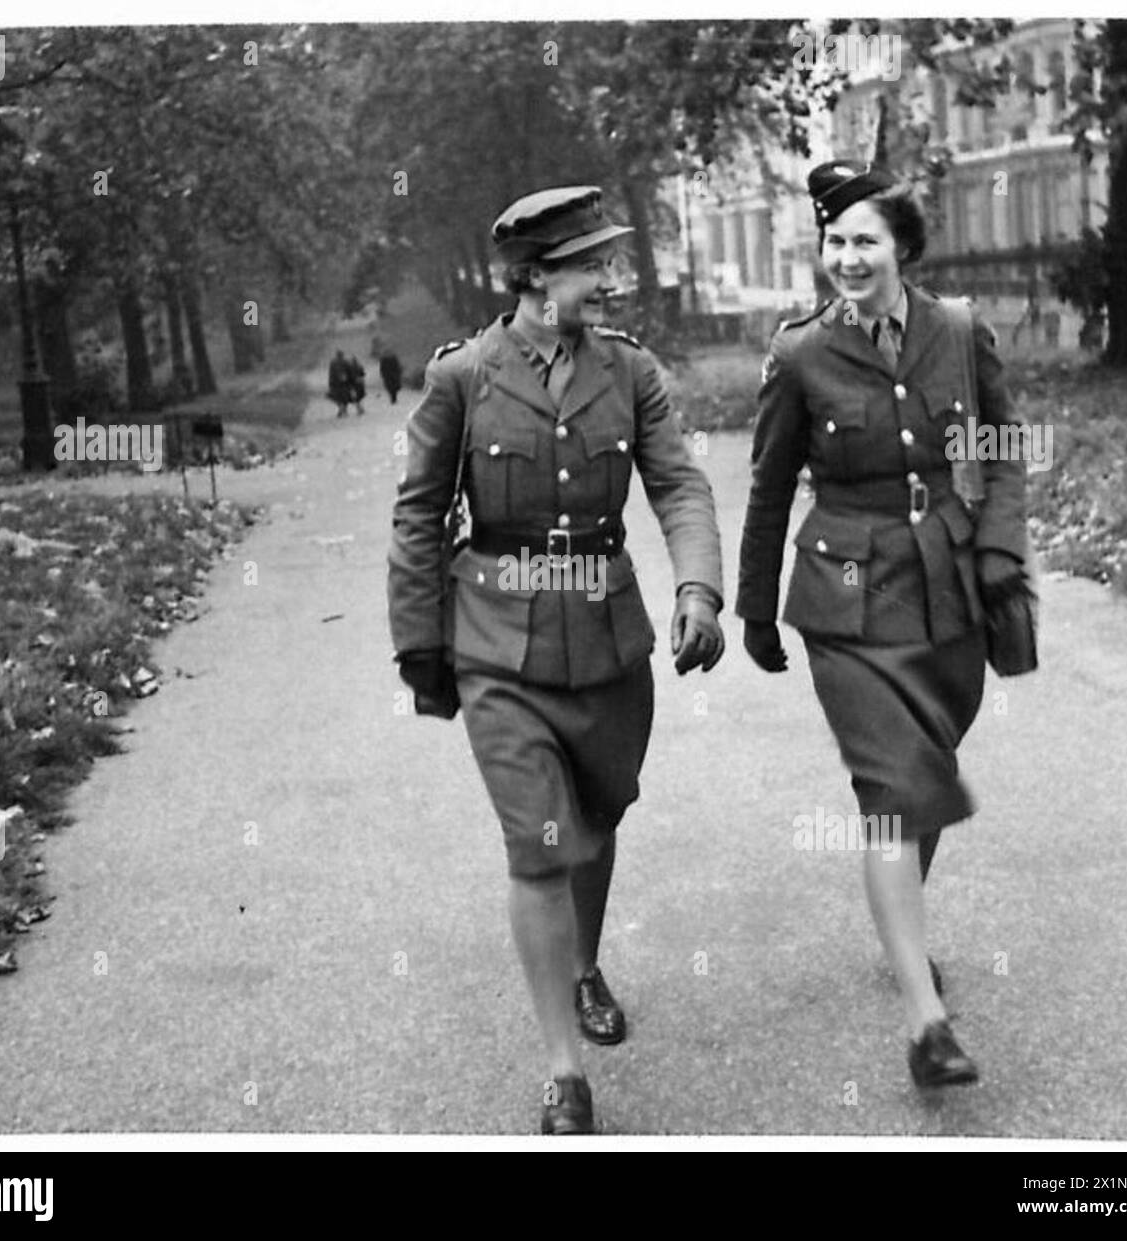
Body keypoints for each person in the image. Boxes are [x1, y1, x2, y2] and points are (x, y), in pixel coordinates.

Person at [388, 185, 725, 1134]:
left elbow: (679, 486)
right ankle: (562, 1071)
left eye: (610, 262)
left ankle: (583, 965)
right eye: (593, 266)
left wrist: (699, 589)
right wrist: (421, 645)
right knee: (539, 843)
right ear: (536, 277)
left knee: (597, 815)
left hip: (608, 637)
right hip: (497, 642)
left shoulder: (630, 370)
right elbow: (418, 514)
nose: (612, 280)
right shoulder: (463, 377)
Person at [736, 161, 1030, 1088]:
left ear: (902, 247)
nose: (848, 258)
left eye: (865, 240)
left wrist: (1000, 550)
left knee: (923, 775)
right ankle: (924, 1023)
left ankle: (901, 929)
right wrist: (754, 606)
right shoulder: (800, 354)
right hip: (846, 599)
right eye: (835, 242)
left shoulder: (958, 331)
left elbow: (1001, 449)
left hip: (947, 588)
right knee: (894, 790)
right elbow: (770, 485)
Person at [327, 349, 356, 416]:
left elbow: (331, 373)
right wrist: (352, 381)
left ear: (337, 355)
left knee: (337, 396)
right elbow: (350, 372)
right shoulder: (346, 362)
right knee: (345, 397)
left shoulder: (333, 363)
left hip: (335, 383)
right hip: (344, 382)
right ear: (342, 355)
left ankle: (341, 408)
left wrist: (330, 382)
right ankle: (343, 409)